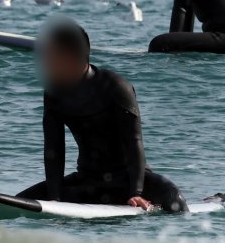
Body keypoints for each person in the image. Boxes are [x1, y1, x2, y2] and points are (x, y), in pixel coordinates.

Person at [18, 20, 188, 213]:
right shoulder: (53, 94)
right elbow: (54, 150)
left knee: (175, 199)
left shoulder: (115, 87)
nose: (46, 64)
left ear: (71, 59)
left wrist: (136, 192)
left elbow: (135, 142)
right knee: (18, 202)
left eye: (52, 58)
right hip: (89, 183)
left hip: (129, 181)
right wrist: (54, 198)